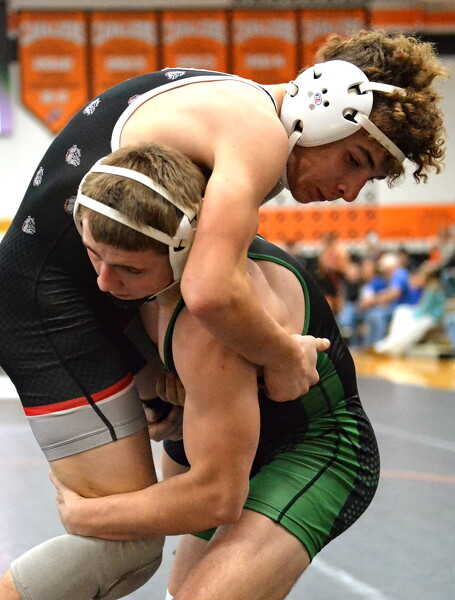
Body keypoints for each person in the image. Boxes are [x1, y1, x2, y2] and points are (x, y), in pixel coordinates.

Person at [0, 27, 446, 599]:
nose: (350, 191)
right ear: (324, 105)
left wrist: (154, 383)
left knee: (133, 539)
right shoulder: (254, 134)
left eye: (369, 176)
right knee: (123, 548)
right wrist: (282, 356)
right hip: (47, 303)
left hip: (61, 298)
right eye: (355, 160)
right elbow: (211, 290)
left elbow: (202, 292)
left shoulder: (223, 113)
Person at [50, 141, 380, 600]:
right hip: (227, 441)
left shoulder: (208, 318)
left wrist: (84, 515)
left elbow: (216, 497)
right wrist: (166, 402)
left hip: (315, 448)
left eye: (128, 269)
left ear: (182, 252)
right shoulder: (148, 269)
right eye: (94, 254)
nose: (104, 281)